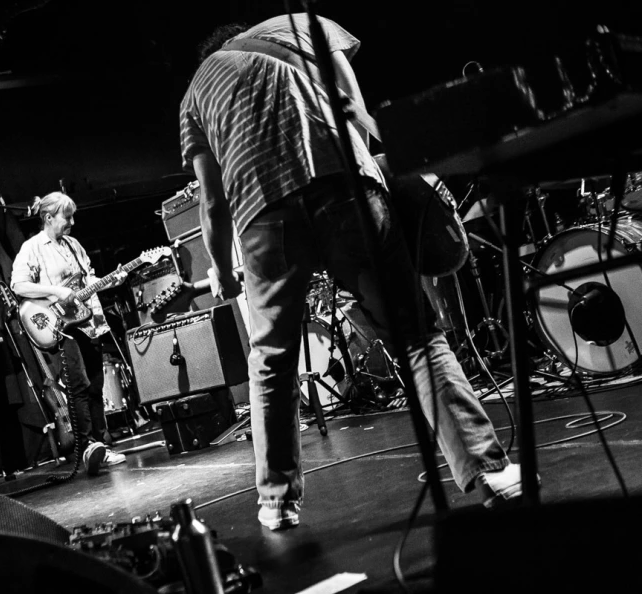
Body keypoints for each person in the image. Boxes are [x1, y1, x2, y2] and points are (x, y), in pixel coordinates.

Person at [179, 13, 527, 530]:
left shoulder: (194, 94)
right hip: (344, 187)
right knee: (414, 336)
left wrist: (221, 272)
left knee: (271, 361)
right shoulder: (302, 25)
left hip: (262, 218)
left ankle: (276, 502)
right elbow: (357, 111)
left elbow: (211, 200)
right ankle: (487, 470)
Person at [11, 191, 127, 475]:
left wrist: (113, 280)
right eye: (67, 216)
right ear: (48, 218)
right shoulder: (32, 247)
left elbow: (88, 280)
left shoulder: (73, 244)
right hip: (63, 326)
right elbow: (18, 285)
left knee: (96, 385)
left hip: (88, 322)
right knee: (79, 385)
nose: (73, 221)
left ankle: (103, 444)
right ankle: (87, 446)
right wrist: (55, 290)